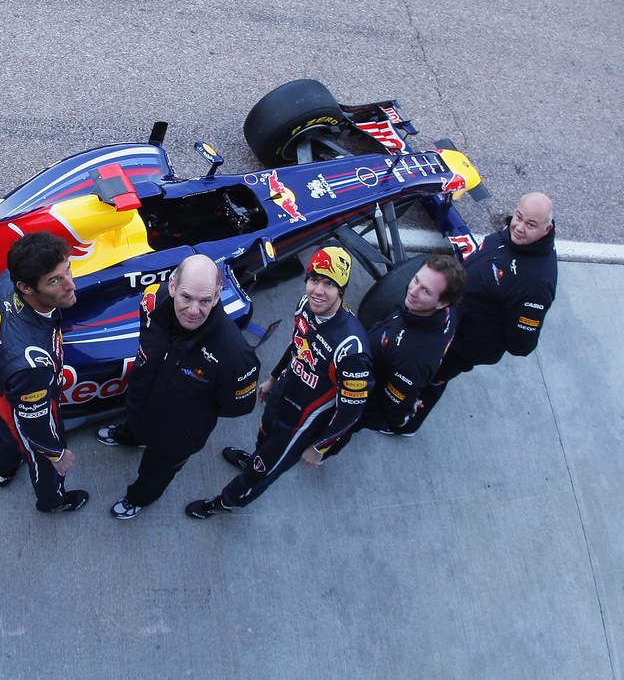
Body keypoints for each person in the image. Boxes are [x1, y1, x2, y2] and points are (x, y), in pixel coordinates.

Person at [186, 246, 372, 519]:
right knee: (263, 437)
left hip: (301, 425)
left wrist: (319, 447)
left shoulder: (352, 348)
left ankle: (225, 503)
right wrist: (273, 379)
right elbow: (297, 346)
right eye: (314, 280)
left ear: (341, 291)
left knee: (262, 474)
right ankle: (254, 460)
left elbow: (351, 411)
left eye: (329, 284)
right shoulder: (305, 305)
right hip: (283, 394)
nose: (318, 291)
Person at [94, 254, 260, 519]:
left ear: (217, 296)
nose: (194, 310)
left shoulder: (236, 355)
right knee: (133, 424)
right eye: (186, 297)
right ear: (172, 286)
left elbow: (235, 407)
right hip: (139, 400)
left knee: (156, 471)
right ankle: (129, 436)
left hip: (178, 433)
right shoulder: (152, 300)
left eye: (205, 301)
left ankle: (139, 498)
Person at [393, 192, 558, 435]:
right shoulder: (513, 236)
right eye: (519, 217)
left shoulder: (536, 283)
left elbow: (521, 344)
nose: (520, 227)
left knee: (430, 378)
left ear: (547, 229)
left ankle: (405, 423)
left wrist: (475, 334)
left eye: (531, 225)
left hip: (463, 345)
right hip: (449, 322)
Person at [308, 255, 466, 458]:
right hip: (367, 365)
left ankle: (319, 453)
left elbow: (392, 412)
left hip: (357, 399)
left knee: (338, 430)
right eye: (416, 280)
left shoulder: (413, 358)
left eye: (426, 291)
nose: (413, 290)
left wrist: (319, 448)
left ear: (442, 302)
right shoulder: (439, 312)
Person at [0, 232, 88, 513]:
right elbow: (35, 425)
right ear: (26, 288)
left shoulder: (6, 279)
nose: (70, 285)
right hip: (22, 397)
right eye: (54, 281)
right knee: (44, 461)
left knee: (8, 436)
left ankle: (4, 471)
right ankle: (53, 502)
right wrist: (56, 454)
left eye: (67, 271)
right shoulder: (33, 365)